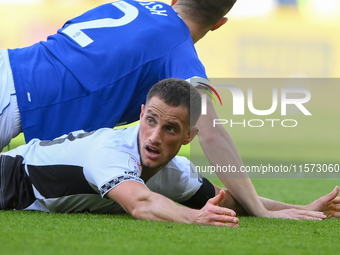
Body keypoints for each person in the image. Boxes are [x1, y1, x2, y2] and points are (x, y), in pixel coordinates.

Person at [0, 0, 333, 219]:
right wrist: (260, 210)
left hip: (10, 61)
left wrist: (300, 209)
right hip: (16, 98)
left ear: (174, 0)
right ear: (219, 23)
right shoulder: (180, 52)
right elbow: (213, 134)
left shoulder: (138, 6)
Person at [0, 79, 339, 224]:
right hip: (8, 179)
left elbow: (232, 201)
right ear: (142, 112)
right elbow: (141, 203)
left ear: (188, 137)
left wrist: (301, 209)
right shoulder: (110, 152)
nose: (155, 136)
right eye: (151, 121)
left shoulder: (176, 171)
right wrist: (195, 217)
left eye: (170, 129)